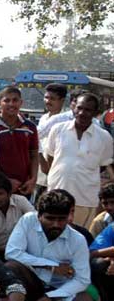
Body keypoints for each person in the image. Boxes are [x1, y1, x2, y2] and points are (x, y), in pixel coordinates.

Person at [4, 189, 95, 301]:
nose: (56, 224)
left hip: (58, 290)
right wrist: (51, 266)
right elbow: (12, 253)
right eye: (50, 218)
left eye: (61, 219)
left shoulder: (77, 240)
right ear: (39, 215)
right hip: (33, 282)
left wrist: (50, 298)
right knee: (11, 268)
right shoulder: (28, 220)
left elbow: (82, 280)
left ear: (68, 217)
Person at [44, 93, 114, 227]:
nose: (82, 113)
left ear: (95, 113)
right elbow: (50, 157)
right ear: (74, 108)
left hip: (85, 198)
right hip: (57, 194)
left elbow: (103, 165)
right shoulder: (58, 129)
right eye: (79, 108)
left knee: (80, 238)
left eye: (87, 110)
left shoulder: (104, 137)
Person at [0, 86, 39, 197]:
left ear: (21, 102)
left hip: (23, 187)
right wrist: (6, 181)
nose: (11, 104)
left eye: (15, 100)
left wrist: (33, 179)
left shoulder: (30, 127)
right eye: (7, 100)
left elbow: (34, 155)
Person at [35, 83, 69, 201]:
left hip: (54, 173)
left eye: (52, 99)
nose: (48, 101)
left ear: (62, 100)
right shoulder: (44, 118)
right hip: (39, 174)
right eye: (46, 97)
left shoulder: (65, 121)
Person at [88, 222, 114, 301]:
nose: (109, 207)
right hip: (102, 263)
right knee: (100, 266)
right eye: (106, 203)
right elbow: (94, 251)